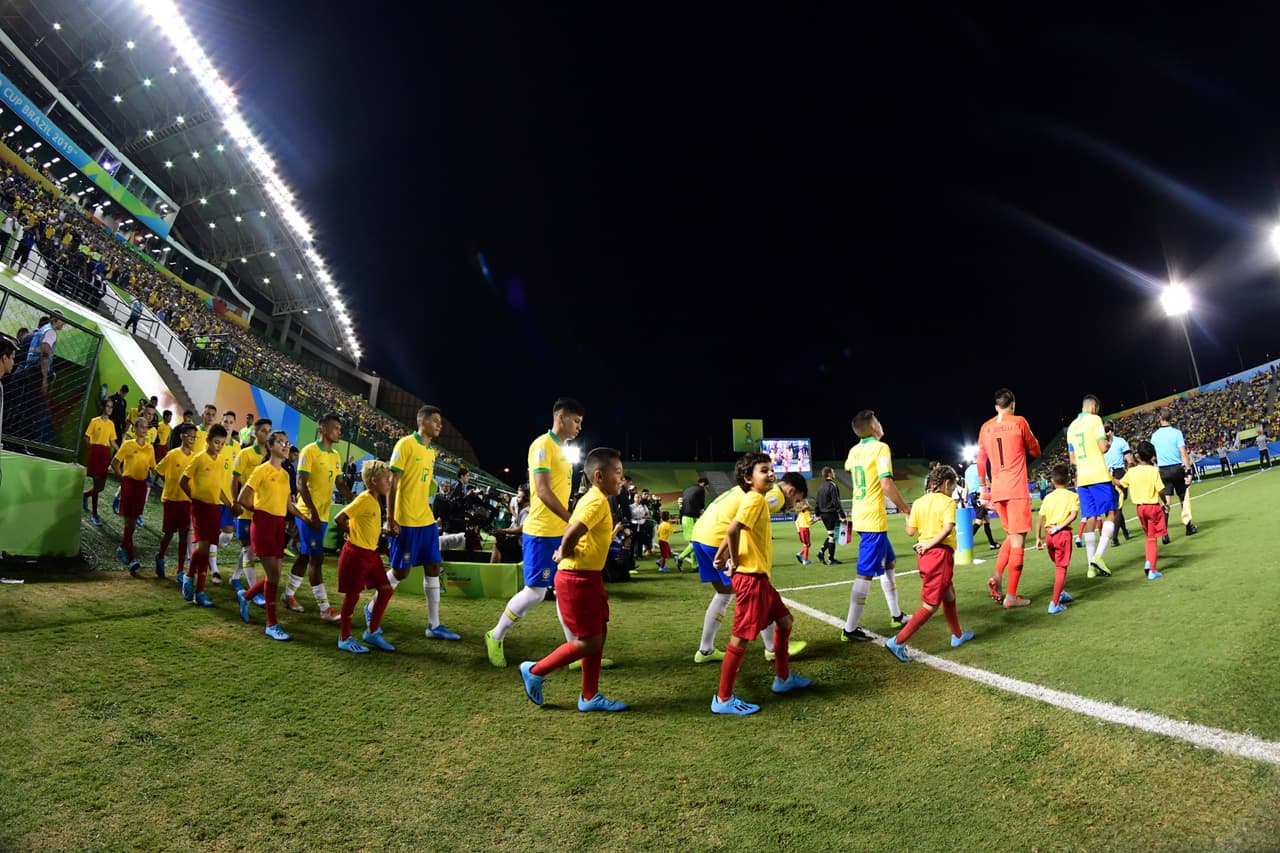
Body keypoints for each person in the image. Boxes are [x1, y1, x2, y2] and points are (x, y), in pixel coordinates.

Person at [518, 447, 631, 712]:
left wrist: (564, 550)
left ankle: (590, 696)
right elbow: (571, 533)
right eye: (618, 473)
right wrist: (562, 552)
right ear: (599, 476)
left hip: (588, 577)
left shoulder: (597, 498)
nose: (621, 479)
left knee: (599, 632)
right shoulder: (595, 500)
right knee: (589, 640)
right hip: (576, 579)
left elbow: (574, 529)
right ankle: (535, 670)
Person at [708, 453, 812, 716]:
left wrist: (722, 556)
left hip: (759, 577)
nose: (770, 474)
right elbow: (732, 531)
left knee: (785, 621)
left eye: (771, 469)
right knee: (740, 638)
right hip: (751, 578)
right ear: (748, 478)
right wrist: (732, 561)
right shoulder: (755, 499)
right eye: (763, 470)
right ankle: (723, 698)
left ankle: (783, 678)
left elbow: (734, 529)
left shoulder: (756, 499)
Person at [486, 398, 585, 667]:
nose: (578, 427)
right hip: (541, 532)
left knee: (562, 589)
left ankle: (574, 650)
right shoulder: (542, 445)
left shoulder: (564, 450)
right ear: (561, 418)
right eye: (576, 421)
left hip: (559, 531)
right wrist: (572, 519)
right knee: (536, 593)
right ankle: (495, 635)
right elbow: (542, 491)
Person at [690, 470, 808, 663]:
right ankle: (773, 648)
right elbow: (740, 522)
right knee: (758, 593)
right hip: (718, 538)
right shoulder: (775, 495)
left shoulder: (750, 488)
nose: (793, 505)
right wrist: (727, 554)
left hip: (700, 536)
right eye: (797, 499)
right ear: (791, 490)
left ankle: (705, 650)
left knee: (723, 593)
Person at [884, 464, 975, 661]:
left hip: (926, 557)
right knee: (930, 605)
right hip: (938, 556)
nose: (953, 492)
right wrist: (929, 544)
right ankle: (897, 642)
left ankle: (957, 635)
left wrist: (909, 514)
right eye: (953, 487)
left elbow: (910, 531)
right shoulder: (947, 502)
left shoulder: (918, 502)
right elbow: (948, 527)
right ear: (947, 484)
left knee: (949, 595)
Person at [235, 430, 318, 641]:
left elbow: (288, 504)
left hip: (278, 526)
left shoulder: (285, 474)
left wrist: (304, 518)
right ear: (271, 446)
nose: (285, 445)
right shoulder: (261, 470)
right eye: (280, 442)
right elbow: (242, 498)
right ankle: (271, 624)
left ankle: (246, 597)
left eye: (287, 442)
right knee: (273, 577)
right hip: (263, 525)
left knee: (274, 577)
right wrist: (261, 510)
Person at [386, 405, 459, 640]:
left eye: (440, 421)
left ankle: (434, 625)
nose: (439, 425)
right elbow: (392, 483)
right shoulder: (405, 444)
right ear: (422, 421)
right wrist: (390, 517)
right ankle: (373, 606)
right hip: (405, 519)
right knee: (401, 572)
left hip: (425, 519)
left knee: (433, 567)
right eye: (435, 421)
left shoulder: (430, 451)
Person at [841, 410, 912, 641]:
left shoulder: (854, 450)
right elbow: (886, 483)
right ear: (873, 427)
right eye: (878, 421)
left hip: (860, 514)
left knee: (889, 562)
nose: (881, 424)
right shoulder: (881, 448)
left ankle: (896, 615)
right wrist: (904, 507)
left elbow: (849, 466)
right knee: (865, 574)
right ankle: (849, 629)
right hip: (873, 518)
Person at [976, 388, 1042, 608]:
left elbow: (980, 460)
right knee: (1018, 542)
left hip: (998, 491)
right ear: (1013, 404)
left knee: (1011, 536)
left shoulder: (985, 427)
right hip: (1016, 490)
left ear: (996, 406)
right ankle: (1012, 597)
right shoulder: (1019, 421)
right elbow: (1036, 450)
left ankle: (996, 577)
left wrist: (984, 488)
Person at [283, 412, 351, 622]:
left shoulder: (336, 455)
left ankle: (287, 595)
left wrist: (356, 499)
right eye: (336, 428)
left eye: (340, 429)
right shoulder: (309, 451)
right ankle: (325, 609)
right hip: (307, 513)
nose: (339, 432)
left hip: (321, 515)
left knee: (305, 556)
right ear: (323, 429)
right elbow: (301, 483)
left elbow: (339, 483)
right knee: (317, 558)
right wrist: (311, 511)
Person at [334, 460, 397, 653]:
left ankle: (372, 631)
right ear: (373, 481)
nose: (389, 481)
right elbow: (339, 518)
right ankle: (344, 638)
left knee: (386, 590)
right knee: (352, 597)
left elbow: (365, 524)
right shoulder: (364, 498)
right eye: (386, 479)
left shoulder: (374, 499)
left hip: (371, 554)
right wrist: (351, 534)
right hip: (356, 555)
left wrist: (384, 533)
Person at [179, 424, 234, 608]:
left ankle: (198, 589)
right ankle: (191, 580)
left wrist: (229, 504)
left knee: (207, 547)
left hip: (214, 508)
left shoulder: (220, 460)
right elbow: (183, 482)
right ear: (208, 441)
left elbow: (218, 487)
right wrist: (193, 499)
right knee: (203, 548)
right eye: (216, 442)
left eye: (222, 443)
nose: (219, 446)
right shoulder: (199, 458)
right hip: (200, 507)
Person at [1067, 395, 1116, 579]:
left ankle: (1090, 567)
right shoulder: (1095, 420)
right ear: (1093, 406)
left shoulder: (1071, 427)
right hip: (1098, 474)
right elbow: (1103, 447)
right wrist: (1109, 440)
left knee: (1090, 518)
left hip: (1082, 478)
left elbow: (1072, 460)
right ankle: (1098, 556)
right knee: (1111, 513)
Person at [1115, 440, 1170, 580]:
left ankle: (1148, 562)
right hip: (1152, 507)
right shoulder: (1153, 471)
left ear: (1138, 455)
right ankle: (1152, 570)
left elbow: (1120, 483)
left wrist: (1108, 476)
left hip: (1140, 509)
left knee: (1149, 536)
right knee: (1153, 539)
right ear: (1152, 456)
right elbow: (1161, 490)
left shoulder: (1132, 472)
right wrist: (1165, 502)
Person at [229, 418, 272, 595]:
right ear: (254, 433)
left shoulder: (271, 456)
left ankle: (235, 576)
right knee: (248, 548)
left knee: (250, 549)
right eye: (263, 430)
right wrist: (234, 501)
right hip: (246, 508)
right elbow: (234, 479)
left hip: (261, 509)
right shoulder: (245, 454)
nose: (267, 433)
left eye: (269, 430)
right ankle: (255, 592)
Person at [112, 417, 157, 577]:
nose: (145, 429)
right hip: (129, 484)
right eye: (142, 427)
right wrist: (122, 478)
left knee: (133, 519)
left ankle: (123, 547)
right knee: (129, 520)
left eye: (147, 427)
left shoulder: (150, 448)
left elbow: (153, 467)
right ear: (135, 428)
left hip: (141, 485)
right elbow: (115, 462)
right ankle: (130, 557)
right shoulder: (128, 444)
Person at [1033, 464, 1080, 614]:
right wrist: (1060, 527)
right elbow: (1073, 515)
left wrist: (1038, 538)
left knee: (1057, 564)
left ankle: (1061, 592)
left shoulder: (1048, 497)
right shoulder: (1072, 496)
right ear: (1068, 480)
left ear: (1052, 481)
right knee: (1061, 568)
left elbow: (1040, 517)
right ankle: (1054, 603)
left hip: (1049, 535)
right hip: (1062, 533)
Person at [154, 423, 196, 580]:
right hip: (171, 499)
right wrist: (168, 481)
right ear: (182, 436)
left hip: (186, 501)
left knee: (184, 535)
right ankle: (161, 556)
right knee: (169, 533)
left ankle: (180, 570)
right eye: (189, 435)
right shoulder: (172, 454)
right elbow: (158, 469)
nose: (191, 439)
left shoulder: (194, 458)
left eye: (193, 437)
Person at [1151, 408, 1198, 542]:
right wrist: (1188, 469)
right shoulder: (1176, 433)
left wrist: (1159, 460)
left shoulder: (1155, 436)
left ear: (1160, 418)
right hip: (1177, 469)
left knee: (1166, 503)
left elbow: (1152, 454)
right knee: (1183, 499)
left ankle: (1164, 534)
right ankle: (1188, 527)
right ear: (1171, 419)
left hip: (1163, 471)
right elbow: (1183, 453)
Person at [81, 400, 118, 526]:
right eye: (108, 406)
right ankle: (94, 514)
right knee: (97, 485)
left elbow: (112, 441)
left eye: (111, 407)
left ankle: (85, 495)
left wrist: (121, 451)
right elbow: (86, 437)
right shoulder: (94, 421)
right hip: (96, 452)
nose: (109, 409)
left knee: (100, 487)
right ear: (103, 407)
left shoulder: (111, 424)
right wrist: (91, 449)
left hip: (105, 454)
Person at [1103, 422, 1133, 546]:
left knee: (1114, 507)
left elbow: (1129, 459)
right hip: (1113, 474)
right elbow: (1130, 460)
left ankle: (1119, 535)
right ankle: (1119, 535)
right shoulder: (1120, 441)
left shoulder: (1100, 444)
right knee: (1116, 507)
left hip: (1109, 475)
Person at [674, 477, 710, 570]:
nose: (705, 488)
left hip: (684, 517)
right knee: (696, 542)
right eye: (706, 486)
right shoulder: (700, 489)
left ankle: (694, 566)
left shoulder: (687, 489)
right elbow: (702, 504)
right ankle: (680, 557)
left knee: (693, 542)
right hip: (692, 517)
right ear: (703, 484)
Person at [962, 461, 999, 550]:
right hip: (981, 497)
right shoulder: (981, 468)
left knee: (986, 520)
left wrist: (965, 499)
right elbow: (986, 481)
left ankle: (992, 544)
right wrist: (994, 489)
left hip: (973, 497)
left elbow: (966, 487)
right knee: (979, 521)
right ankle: (964, 542)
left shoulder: (967, 471)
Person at [814, 467, 847, 565]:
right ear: (829, 474)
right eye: (833, 472)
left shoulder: (821, 487)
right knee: (833, 537)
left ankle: (821, 552)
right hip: (831, 514)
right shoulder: (833, 485)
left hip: (823, 515)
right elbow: (836, 502)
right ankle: (831, 559)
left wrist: (817, 514)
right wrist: (842, 516)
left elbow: (817, 502)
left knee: (831, 535)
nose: (834, 474)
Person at [794, 500, 813, 565]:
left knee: (808, 544)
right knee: (807, 545)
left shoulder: (800, 513)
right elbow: (810, 522)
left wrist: (798, 531)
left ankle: (799, 554)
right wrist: (817, 519)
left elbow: (796, 522)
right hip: (805, 530)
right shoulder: (807, 513)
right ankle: (805, 560)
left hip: (801, 529)